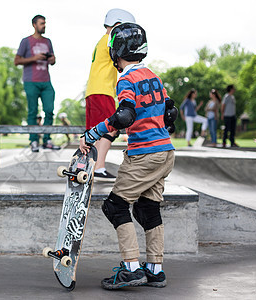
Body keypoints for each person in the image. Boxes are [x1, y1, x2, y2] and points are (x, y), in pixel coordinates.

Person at [79, 23, 177, 290]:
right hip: (165, 153)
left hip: (143, 155)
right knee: (148, 208)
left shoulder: (126, 79)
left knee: (116, 206)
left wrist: (92, 134)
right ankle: (155, 269)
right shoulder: (154, 76)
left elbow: (124, 115)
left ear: (115, 52)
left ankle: (132, 269)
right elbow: (170, 112)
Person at [85, 8, 136, 182]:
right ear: (118, 25)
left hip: (93, 91)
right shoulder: (110, 40)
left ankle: (90, 166)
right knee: (111, 128)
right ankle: (99, 168)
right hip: (103, 91)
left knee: (95, 131)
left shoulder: (101, 41)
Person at [14, 15, 60, 152]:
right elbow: (17, 61)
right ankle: (33, 140)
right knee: (33, 111)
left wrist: (51, 59)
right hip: (31, 81)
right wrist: (35, 58)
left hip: (45, 81)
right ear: (34, 25)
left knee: (49, 110)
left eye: (45, 23)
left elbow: (52, 60)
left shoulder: (48, 41)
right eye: (41, 23)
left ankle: (47, 140)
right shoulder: (26, 41)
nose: (44, 26)